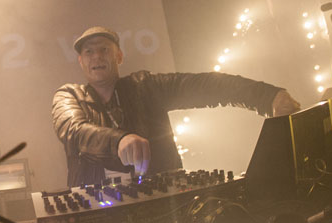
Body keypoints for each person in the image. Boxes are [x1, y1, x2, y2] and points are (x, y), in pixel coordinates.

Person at [52, 26, 302, 187]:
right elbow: (74, 131)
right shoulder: (68, 96)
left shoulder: (145, 86)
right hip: (96, 213)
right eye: (89, 52)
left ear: (119, 56)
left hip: (163, 204)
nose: (97, 56)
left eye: (104, 49)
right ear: (81, 61)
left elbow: (203, 85)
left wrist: (266, 96)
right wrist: (118, 140)